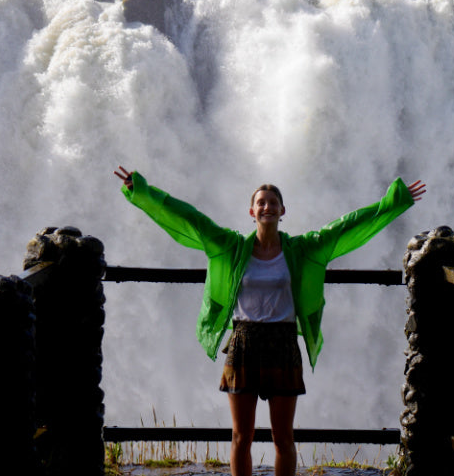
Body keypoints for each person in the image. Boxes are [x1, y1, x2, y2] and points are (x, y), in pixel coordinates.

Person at [114, 166, 425, 476]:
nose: (267, 207)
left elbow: (345, 228)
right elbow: (188, 218)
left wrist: (393, 201)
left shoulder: (302, 250)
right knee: (241, 436)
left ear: (282, 211)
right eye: (261, 202)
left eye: (272, 202)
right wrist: (142, 191)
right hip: (244, 343)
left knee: (284, 438)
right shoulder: (232, 247)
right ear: (252, 211)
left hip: (283, 343)